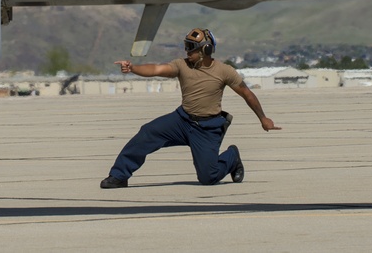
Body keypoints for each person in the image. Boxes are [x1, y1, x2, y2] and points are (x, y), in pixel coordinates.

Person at [100, 28, 280, 189]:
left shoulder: (225, 71)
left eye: (191, 47)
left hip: (207, 128)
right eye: (186, 46)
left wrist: (263, 118)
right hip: (181, 121)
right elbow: (156, 68)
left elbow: (247, 94)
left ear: (206, 49)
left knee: (208, 178)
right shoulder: (182, 65)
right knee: (147, 132)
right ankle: (119, 176)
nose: (187, 51)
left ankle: (232, 157)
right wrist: (133, 68)